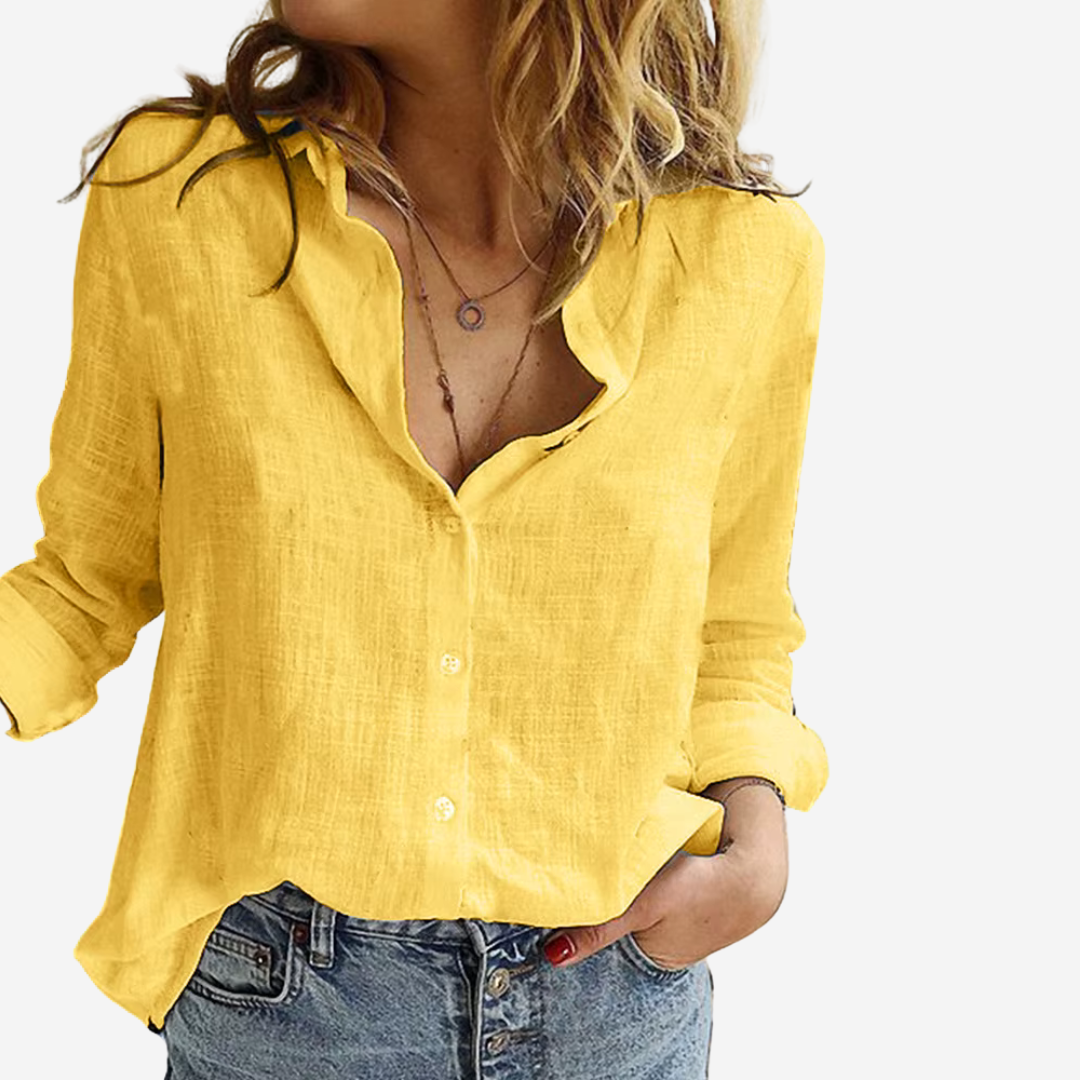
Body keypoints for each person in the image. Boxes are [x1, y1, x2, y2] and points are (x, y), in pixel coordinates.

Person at [0, 1, 828, 1076]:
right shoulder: (182, 199)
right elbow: (83, 581)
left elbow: (735, 628)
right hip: (288, 1003)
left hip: (620, 1000)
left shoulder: (745, 258)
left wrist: (757, 844)